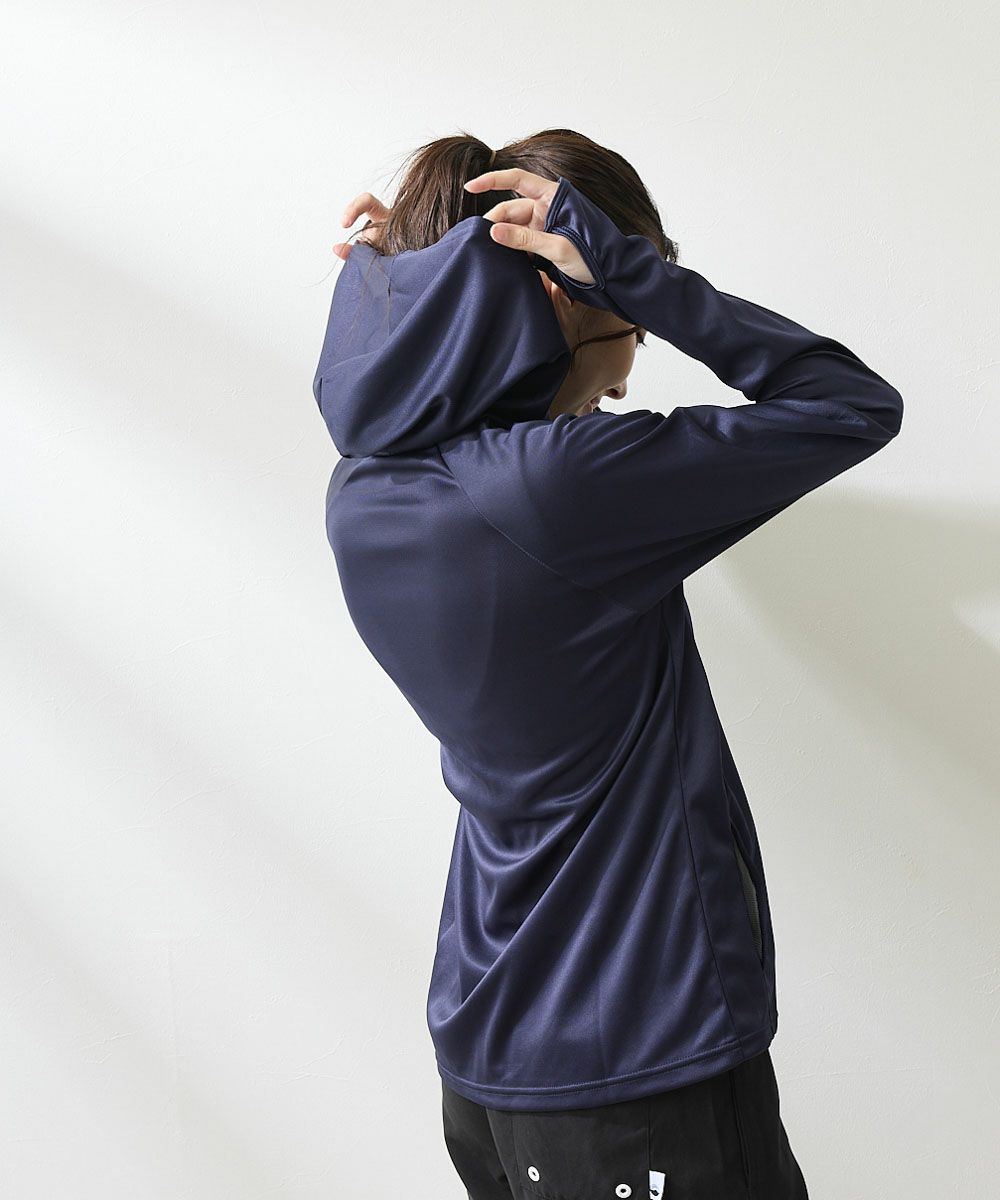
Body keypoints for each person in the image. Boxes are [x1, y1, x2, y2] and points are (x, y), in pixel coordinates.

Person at [314, 129, 903, 1199]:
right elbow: (851, 405)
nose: (627, 385)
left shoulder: (363, 497)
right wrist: (641, 277)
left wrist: (405, 299)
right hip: (637, 1063)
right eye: (630, 327)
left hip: (490, 1058)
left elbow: (417, 403)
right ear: (568, 287)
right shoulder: (557, 492)